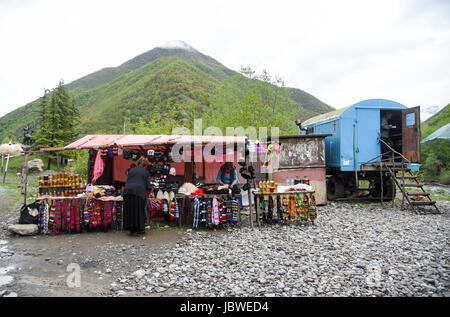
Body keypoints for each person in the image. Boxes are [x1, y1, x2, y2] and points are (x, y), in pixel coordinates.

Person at [123, 157, 151, 236]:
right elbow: (148, 186)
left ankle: (132, 229)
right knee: (139, 210)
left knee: (130, 210)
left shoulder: (131, 170)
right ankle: (140, 229)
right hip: (138, 191)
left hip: (127, 191)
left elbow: (128, 179)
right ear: (145, 165)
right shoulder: (146, 172)